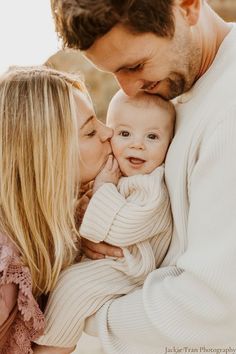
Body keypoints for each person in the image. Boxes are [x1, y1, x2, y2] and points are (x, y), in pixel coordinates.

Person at [50, 0, 236, 352]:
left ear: (187, 6)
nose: (130, 89)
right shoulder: (177, 85)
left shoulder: (230, 111)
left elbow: (216, 304)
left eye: (136, 65)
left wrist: (78, 309)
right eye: (114, 73)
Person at [34, 89, 175, 350]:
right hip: (113, 262)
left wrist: (103, 191)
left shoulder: (150, 185)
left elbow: (124, 228)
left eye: (152, 137)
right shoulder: (119, 174)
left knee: (72, 288)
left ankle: (51, 348)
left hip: (130, 267)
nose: (137, 144)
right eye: (124, 134)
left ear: (170, 143)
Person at [0, 65, 113, 354]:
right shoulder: (6, 271)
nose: (108, 132)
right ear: (48, 157)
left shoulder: (45, 225)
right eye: (89, 132)